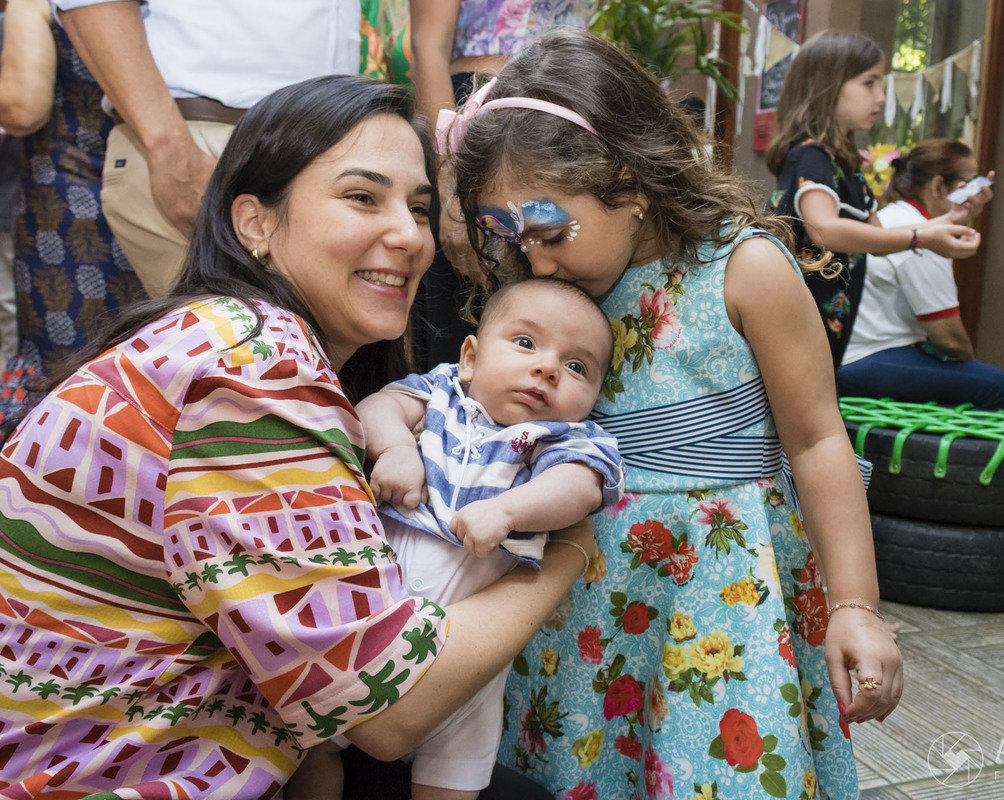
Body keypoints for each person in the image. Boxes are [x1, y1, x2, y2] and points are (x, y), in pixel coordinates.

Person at [0, 74, 596, 797]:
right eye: (361, 197)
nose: (408, 236)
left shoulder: (232, 340)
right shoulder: (248, 372)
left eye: (417, 207)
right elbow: (388, 708)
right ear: (254, 221)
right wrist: (564, 549)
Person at [449, 30, 902, 799]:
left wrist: (856, 607)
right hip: (581, 604)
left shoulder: (744, 268)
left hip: (721, 600)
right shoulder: (552, 292)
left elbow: (820, 439)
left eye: (552, 232)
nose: (536, 260)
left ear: (631, 180)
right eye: (512, 238)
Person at [289, 277, 624, 800]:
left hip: (463, 667)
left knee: (451, 780)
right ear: (470, 357)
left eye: (577, 366)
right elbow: (377, 406)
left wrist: (509, 509)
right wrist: (398, 449)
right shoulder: (443, 393)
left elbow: (579, 489)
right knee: (307, 750)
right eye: (526, 343)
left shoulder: (560, 439)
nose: (548, 367)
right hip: (372, 625)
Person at [54, 0, 361, 296]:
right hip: (205, 142)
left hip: (323, 143)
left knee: (300, 341)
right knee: (242, 338)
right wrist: (171, 148)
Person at [765, 30, 984, 370]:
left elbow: (878, 239)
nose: (881, 97)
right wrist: (922, 237)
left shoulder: (848, 167)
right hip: (797, 332)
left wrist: (952, 219)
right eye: (870, 83)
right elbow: (823, 228)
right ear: (829, 86)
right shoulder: (812, 157)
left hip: (832, 333)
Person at [410, 0, 593, 369]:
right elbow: (427, 47)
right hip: (482, 113)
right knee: (476, 319)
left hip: (565, 112)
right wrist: (450, 183)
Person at [0, 0, 144, 435]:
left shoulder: (38, 2)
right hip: (176, 185)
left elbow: (21, 106)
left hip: (73, 203)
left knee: (66, 364)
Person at [838, 139, 1004, 410]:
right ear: (939, 186)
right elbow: (949, 338)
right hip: (869, 359)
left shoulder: (894, 216)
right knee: (993, 385)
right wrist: (968, 368)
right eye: (969, 183)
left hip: (850, 355)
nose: (977, 193)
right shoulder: (922, 237)